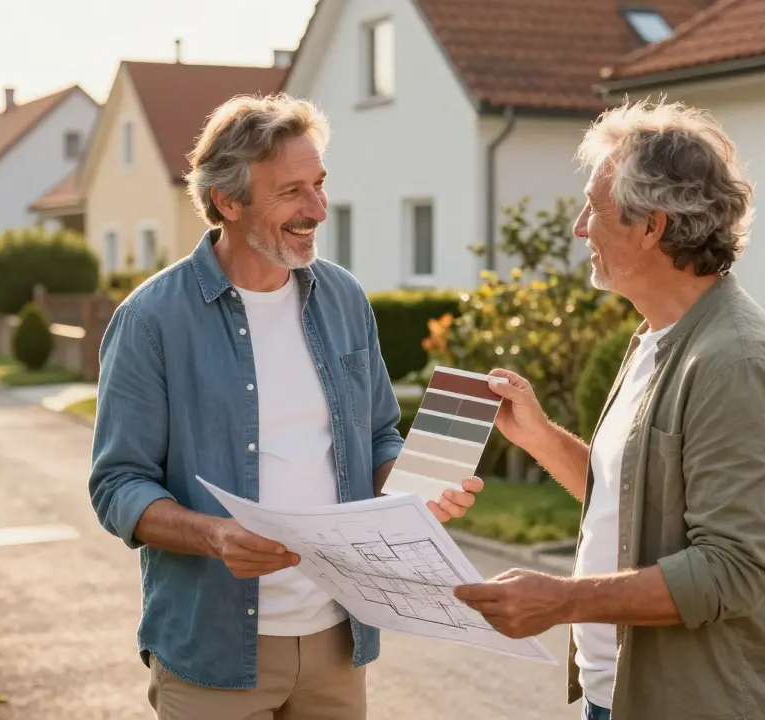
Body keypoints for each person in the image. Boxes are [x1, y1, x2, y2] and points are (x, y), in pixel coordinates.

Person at [88, 93, 483, 720]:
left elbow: (379, 434)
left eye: (320, 185)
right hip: (213, 651)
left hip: (335, 638)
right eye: (292, 192)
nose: (317, 210)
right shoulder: (152, 319)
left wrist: (416, 488)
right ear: (228, 201)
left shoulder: (344, 298)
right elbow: (117, 486)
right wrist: (216, 535)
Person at [454, 100, 765, 720]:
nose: (579, 227)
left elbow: (732, 570)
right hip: (618, 696)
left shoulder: (735, 362)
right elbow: (633, 500)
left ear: (652, 227)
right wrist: (540, 437)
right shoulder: (658, 334)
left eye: (596, 205)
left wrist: (561, 600)